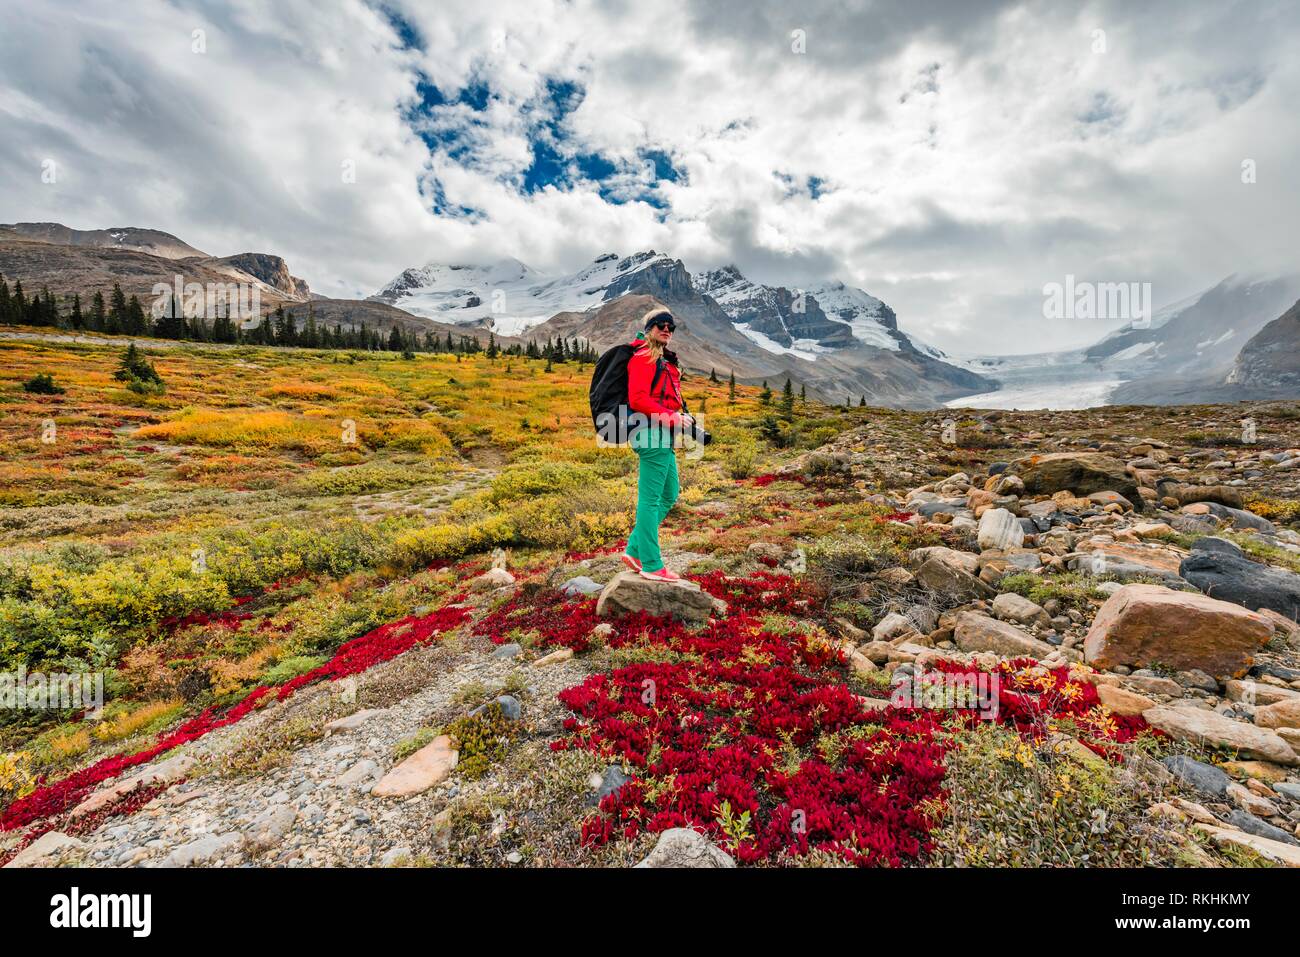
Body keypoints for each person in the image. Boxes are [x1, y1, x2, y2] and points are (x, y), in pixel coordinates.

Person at [621, 307, 692, 582]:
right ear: (649, 327)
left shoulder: (660, 358)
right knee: (650, 501)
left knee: (670, 492)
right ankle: (651, 564)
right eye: (661, 325)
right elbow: (637, 399)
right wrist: (672, 417)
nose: (666, 330)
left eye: (670, 327)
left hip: (662, 435)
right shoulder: (643, 356)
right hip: (650, 434)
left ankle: (634, 550)